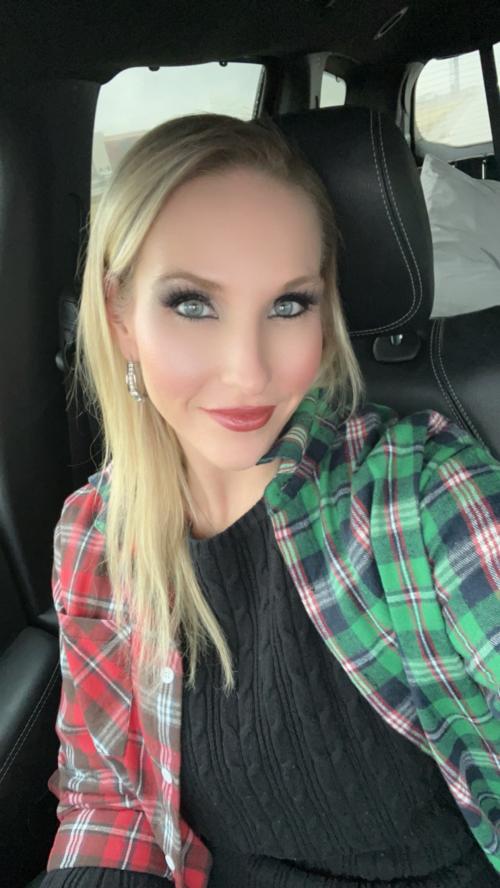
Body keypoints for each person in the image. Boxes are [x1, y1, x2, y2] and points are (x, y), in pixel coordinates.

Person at [39, 113, 500, 888]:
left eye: (288, 305)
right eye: (192, 303)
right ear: (120, 319)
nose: (248, 372)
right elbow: (112, 806)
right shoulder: (95, 538)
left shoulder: (419, 498)